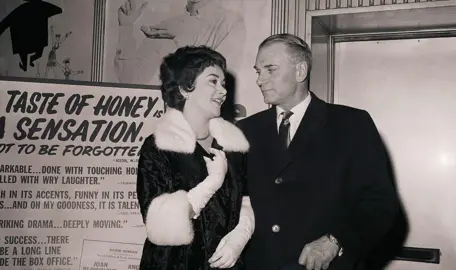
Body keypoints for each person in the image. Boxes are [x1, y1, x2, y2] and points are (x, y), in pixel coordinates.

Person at [236, 33, 400, 270]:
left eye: (270, 69)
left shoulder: (351, 124)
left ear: (300, 71)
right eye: (258, 71)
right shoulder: (246, 129)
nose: (260, 80)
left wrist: (335, 240)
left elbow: (379, 203)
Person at [136, 46, 254, 270]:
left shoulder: (233, 146)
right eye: (213, 81)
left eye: (223, 83)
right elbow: (160, 225)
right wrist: (212, 183)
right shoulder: (158, 147)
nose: (223, 91)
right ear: (184, 88)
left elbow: (247, 201)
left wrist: (239, 238)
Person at [114, 0, 245, 85]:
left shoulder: (231, 23)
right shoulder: (167, 26)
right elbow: (130, 81)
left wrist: (182, 38)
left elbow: (215, 81)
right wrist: (126, 28)